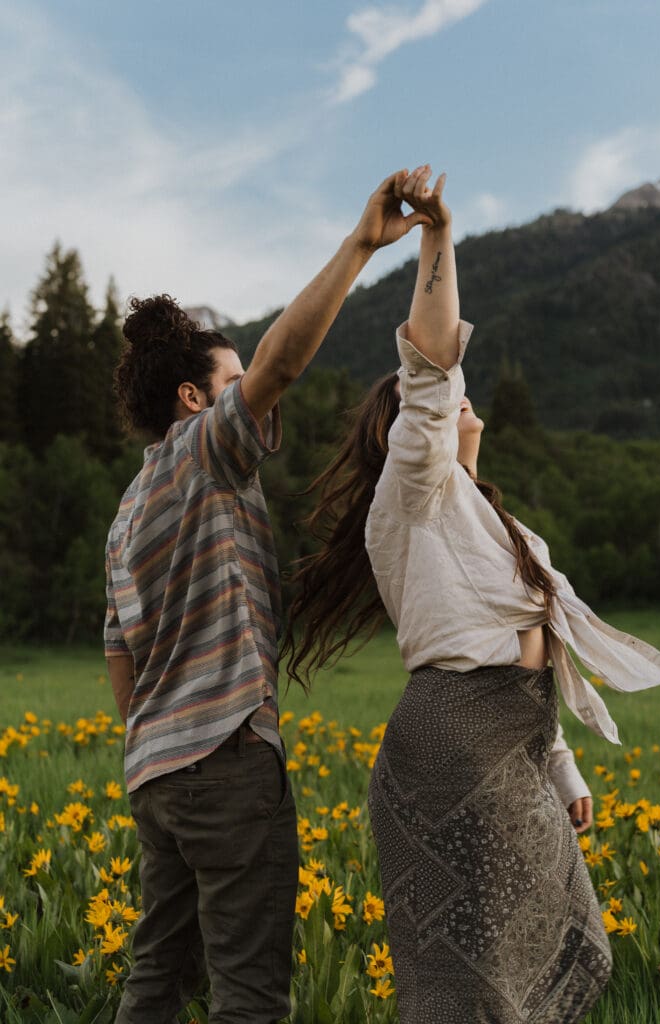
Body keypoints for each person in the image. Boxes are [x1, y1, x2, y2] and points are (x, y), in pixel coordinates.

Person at [283, 167, 660, 1023]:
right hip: (456, 741)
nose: (462, 400)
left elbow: (532, 652)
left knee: (547, 941)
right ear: (412, 422)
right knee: (475, 979)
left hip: (509, 739)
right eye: (446, 397)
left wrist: (560, 758)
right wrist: (436, 235)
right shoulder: (409, 494)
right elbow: (429, 374)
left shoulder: (487, 519)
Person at [104, 168, 433, 1024]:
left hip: (157, 779)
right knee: (250, 998)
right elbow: (285, 359)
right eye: (233, 380)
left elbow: (118, 654)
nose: (252, 389)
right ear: (192, 400)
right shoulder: (200, 454)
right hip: (223, 762)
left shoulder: (128, 509)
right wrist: (361, 244)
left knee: (155, 981)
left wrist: (155, 742)